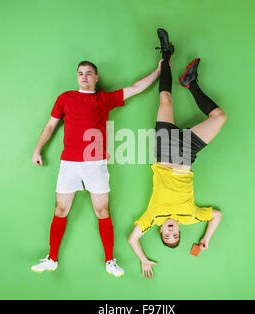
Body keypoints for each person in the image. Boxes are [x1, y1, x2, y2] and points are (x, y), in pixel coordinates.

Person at [31, 59, 162, 277]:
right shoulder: (65, 98)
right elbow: (51, 125)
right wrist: (37, 149)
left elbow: (135, 88)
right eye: (81, 73)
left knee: (102, 212)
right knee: (60, 210)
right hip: (69, 164)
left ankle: (110, 261)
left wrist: (158, 71)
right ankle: (51, 259)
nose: (84, 77)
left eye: (89, 73)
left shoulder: (104, 99)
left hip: (95, 164)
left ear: (96, 77)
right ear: (77, 77)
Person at [128, 29, 227, 279]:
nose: (171, 232)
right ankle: (191, 84)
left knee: (165, 99)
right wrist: (205, 239)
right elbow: (217, 215)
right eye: (176, 235)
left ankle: (166, 54)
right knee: (220, 117)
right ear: (181, 231)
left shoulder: (152, 217)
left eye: (167, 235)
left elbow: (132, 239)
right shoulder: (192, 216)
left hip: (164, 152)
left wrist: (143, 260)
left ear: (160, 231)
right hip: (186, 155)